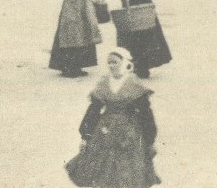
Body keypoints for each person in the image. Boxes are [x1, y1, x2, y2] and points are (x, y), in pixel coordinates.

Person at [66, 47, 160, 188]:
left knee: (127, 169)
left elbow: (146, 113)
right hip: (105, 129)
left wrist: (150, 139)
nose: (111, 66)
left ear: (124, 62)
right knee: (102, 169)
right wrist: (85, 137)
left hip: (130, 131)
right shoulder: (104, 83)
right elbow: (93, 110)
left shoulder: (134, 83)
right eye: (109, 63)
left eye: (115, 62)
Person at [117, 0, 172, 79]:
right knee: (148, 34)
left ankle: (141, 66)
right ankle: (143, 66)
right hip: (145, 5)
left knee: (137, 36)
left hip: (137, 6)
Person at [51, 0, 103, 77]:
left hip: (82, 6)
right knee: (71, 35)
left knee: (83, 35)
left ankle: (78, 66)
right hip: (72, 6)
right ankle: (68, 67)